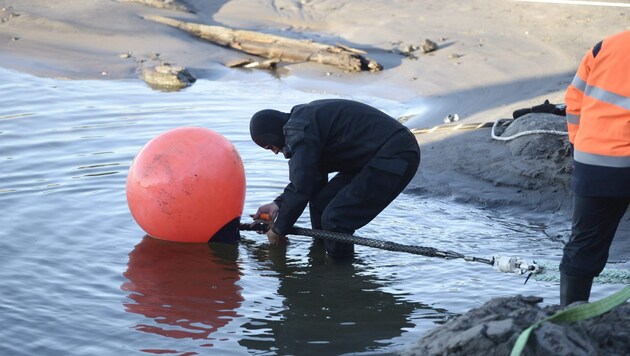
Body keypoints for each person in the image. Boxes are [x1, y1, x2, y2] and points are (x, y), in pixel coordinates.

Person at [249, 99, 420, 258]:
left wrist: (278, 230)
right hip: (371, 158)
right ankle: (321, 257)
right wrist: (278, 204)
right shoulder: (302, 123)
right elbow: (309, 178)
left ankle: (339, 275)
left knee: (336, 219)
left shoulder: (298, 132)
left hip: (396, 154)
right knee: (321, 203)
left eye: (270, 146)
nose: (276, 152)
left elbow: (301, 187)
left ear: (273, 133)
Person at [560, 30, 630, 307]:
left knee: (583, 244)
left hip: (595, 163)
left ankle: (569, 317)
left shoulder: (606, 46)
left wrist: (579, 144)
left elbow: (574, 99)